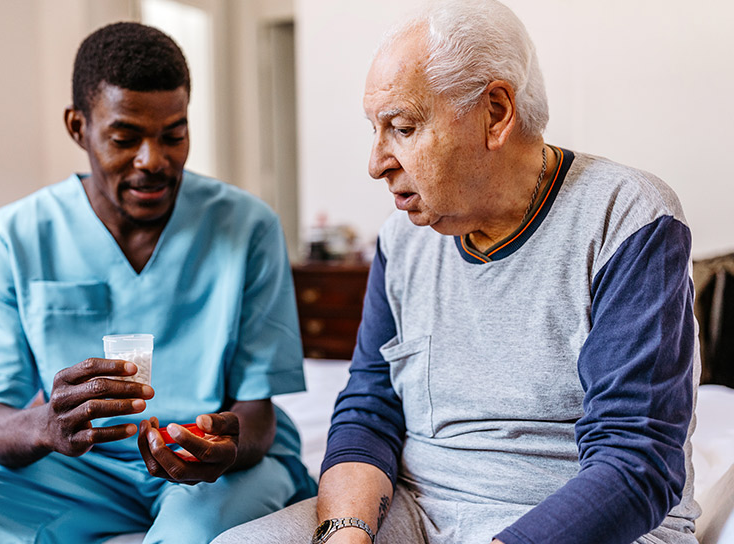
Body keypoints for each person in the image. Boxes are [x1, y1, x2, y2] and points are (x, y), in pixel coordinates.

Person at [213, 1, 699, 543]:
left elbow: (636, 465)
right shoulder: (401, 239)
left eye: (401, 127)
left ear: (495, 113)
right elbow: (370, 405)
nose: (376, 163)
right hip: (418, 511)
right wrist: (345, 533)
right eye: (375, 131)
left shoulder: (627, 217)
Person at [0, 22, 314, 544]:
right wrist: (46, 426)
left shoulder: (247, 227)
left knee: (190, 535)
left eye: (174, 135)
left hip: (213, 468)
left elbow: (256, 416)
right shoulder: (18, 234)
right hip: (84, 471)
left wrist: (226, 448)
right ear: (79, 128)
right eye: (125, 138)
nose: (153, 161)